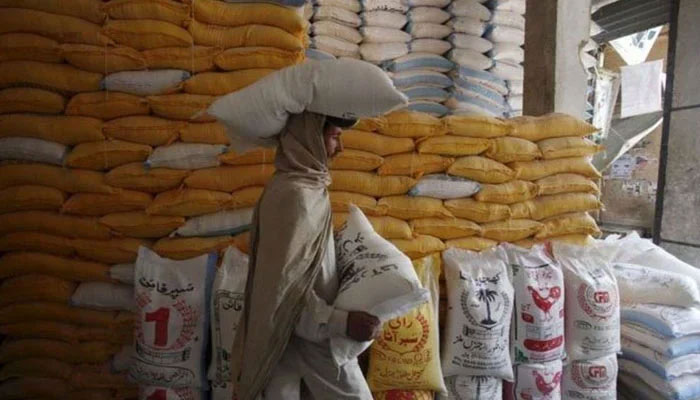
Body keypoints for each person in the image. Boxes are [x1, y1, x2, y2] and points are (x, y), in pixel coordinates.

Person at [231, 112, 382, 400]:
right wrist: (341, 322)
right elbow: (285, 290)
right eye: (335, 137)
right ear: (310, 138)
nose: (340, 148)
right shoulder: (295, 197)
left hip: (304, 330)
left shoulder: (304, 187)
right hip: (303, 333)